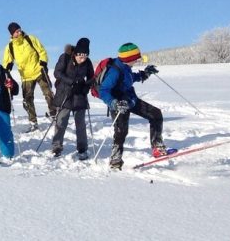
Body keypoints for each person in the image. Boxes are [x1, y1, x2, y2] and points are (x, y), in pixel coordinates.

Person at [98, 42, 169, 170]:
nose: (137, 61)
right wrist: (114, 103)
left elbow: (129, 78)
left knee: (155, 114)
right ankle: (115, 158)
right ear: (129, 59)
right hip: (119, 104)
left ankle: (157, 146)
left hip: (131, 100)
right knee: (121, 131)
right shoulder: (114, 71)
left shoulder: (125, 67)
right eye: (136, 58)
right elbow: (104, 90)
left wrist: (144, 74)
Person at [3, 22, 54, 132]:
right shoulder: (10, 46)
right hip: (26, 76)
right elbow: (7, 61)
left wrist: (43, 62)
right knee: (27, 99)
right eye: (16, 31)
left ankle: (54, 114)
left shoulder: (30, 39)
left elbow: (42, 51)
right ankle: (33, 121)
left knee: (48, 93)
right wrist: (7, 68)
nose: (19, 32)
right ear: (12, 34)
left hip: (38, 70)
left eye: (19, 30)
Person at [50, 38, 93, 159]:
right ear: (75, 53)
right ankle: (56, 146)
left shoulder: (87, 62)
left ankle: (82, 148)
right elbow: (57, 73)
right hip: (65, 94)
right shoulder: (65, 57)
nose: (82, 58)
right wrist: (70, 81)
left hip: (79, 95)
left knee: (80, 124)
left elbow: (91, 78)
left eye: (85, 56)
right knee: (61, 121)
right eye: (80, 55)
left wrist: (86, 88)